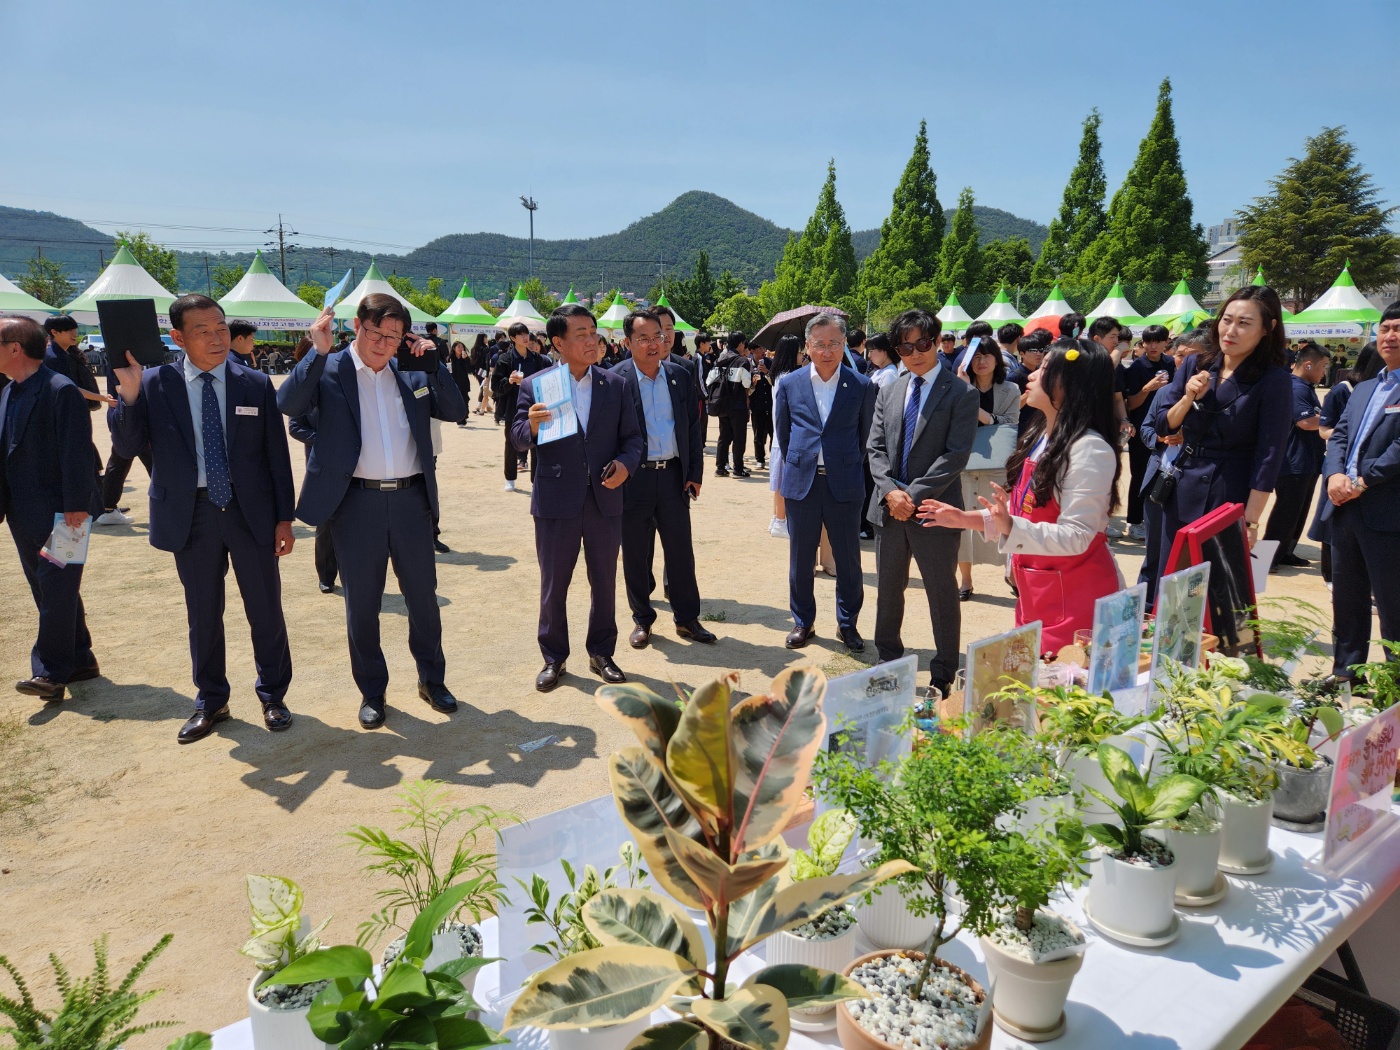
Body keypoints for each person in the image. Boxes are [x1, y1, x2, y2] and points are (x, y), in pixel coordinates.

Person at [110, 294, 296, 742]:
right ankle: (211, 700)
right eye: (203, 331)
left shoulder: (255, 383)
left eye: (221, 328)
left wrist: (284, 519)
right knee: (203, 613)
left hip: (249, 512)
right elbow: (126, 447)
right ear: (178, 337)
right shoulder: (153, 383)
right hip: (190, 513)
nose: (217, 338)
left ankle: (273, 695)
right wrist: (129, 394)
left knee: (265, 609)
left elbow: (276, 456)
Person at [276, 293, 467, 730]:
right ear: (358, 326)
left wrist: (435, 366)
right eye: (377, 333)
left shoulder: (412, 371)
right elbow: (288, 405)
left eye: (395, 337)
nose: (384, 344)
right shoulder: (330, 368)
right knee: (362, 603)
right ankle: (372, 691)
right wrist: (317, 352)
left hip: (411, 500)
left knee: (423, 599)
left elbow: (456, 410)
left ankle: (432, 680)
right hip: (355, 503)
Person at [918, 339, 1124, 654]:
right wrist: (963, 518)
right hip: (1041, 590)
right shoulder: (1041, 437)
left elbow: (1078, 535)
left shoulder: (1088, 449)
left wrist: (1010, 527)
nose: (1033, 374)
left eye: (1045, 368)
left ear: (1070, 384)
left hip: (1076, 598)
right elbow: (1021, 515)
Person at [513, 304, 643, 691]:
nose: (592, 341)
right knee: (554, 584)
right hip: (556, 500)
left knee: (604, 581)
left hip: (605, 499)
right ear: (558, 342)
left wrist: (625, 465)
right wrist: (531, 427)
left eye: (593, 332)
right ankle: (554, 657)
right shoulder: (536, 385)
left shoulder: (614, 385)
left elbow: (633, 439)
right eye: (581, 334)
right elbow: (516, 437)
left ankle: (602, 652)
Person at [867, 310, 978, 695]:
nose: (915, 353)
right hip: (889, 510)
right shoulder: (889, 389)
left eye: (923, 344)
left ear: (936, 341)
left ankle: (944, 671)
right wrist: (890, 492)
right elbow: (875, 448)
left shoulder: (962, 393)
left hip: (935, 510)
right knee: (888, 590)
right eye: (905, 347)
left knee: (941, 592)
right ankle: (887, 661)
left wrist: (910, 496)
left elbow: (955, 455)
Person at [1150, 285, 1292, 571]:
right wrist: (1188, 398)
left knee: (1217, 585)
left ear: (1268, 328)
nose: (1231, 331)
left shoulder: (1273, 379)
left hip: (1228, 493)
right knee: (1172, 577)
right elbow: (1163, 424)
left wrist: (1251, 521)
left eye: (1244, 323)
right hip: (1183, 485)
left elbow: (1269, 454)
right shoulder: (1195, 363)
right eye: (1227, 320)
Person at [0, 316, 102, 701]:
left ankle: (49, 672)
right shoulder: (9, 391)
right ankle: (80, 659)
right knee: (48, 587)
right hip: (22, 511)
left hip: (66, 514)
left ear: (15, 348)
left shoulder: (61, 390)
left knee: (57, 586)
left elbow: (77, 453)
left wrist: (76, 507)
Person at [611, 309, 715, 648]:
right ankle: (642, 619)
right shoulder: (615, 379)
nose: (653, 343)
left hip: (672, 477)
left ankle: (687, 619)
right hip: (634, 480)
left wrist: (694, 473)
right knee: (636, 554)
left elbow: (692, 428)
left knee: (681, 552)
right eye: (643, 338)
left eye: (657, 336)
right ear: (627, 342)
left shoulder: (679, 375)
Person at [774, 314, 875, 651]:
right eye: (820, 344)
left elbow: (865, 438)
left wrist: (842, 463)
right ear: (807, 346)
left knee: (848, 561)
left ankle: (848, 624)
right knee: (801, 559)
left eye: (834, 343)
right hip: (802, 483)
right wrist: (802, 461)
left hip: (844, 483)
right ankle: (803, 622)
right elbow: (784, 434)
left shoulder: (861, 385)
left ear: (844, 344)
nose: (827, 351)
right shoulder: (790, 384)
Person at [1317, 302, 1400, 679]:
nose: (1390, 336)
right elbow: (1340, 436)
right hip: (1344, 508)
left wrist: (1363, 481)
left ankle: (1393, 687)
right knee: (1347, 601)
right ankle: (1346, 676)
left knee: (1393, 604)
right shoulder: (1365, 387)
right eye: (1385, 328)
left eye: (1398, 329)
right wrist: (1334, 475)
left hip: (1387, 512)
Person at [1137, 329, 1209, 605]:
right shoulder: (1165, 392)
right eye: (1179, 355)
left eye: (1192, 356)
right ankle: (1146, 606)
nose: (1183, 362)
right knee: (1154, 552)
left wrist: (1187, 437)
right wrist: (1161, 437)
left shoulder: (1215, 395)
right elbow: (1146, 428)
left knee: (1187, 557)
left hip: (1195, 484)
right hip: (1160, 479)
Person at [1310, 344, 1381, 586]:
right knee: (1332, 519)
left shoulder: (1384, 390)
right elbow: (1325, 430)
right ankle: (1330, 575)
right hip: (1339, 466)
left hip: (1365, 468)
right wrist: (1357, 435)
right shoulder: (1344, 390)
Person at [956, 338, 1020, 600]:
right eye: (976, 357)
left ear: (997, 359)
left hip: (996, 464)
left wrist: (974, 403)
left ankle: (1012, 574)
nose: (981, 362)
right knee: (963, 523)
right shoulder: (958, 387)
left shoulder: (1011, 389)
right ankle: (966, 580)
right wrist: (965, 390)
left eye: (987, 356)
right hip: (963, 463)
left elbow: (1010, 424)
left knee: (1003, 519)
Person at [1263, 342, 1328, 571]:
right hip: (1293, 461)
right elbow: (1306, 421)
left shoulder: (1305, 387)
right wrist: (1335, 419)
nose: (1324, 373)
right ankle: (1264, 560)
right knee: (1285, 512)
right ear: (1308, 365)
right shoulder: (1296, 388)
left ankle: (1285, 552)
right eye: (1323, 367)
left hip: (1307, 459)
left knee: (1298, 512)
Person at [286, 337, 337, 594]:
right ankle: (326, 575)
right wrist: (325, 440)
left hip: (356, 466)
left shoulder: (342, 381)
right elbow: (295, 427)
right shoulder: (302, 387)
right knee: (325, 523)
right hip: (322, 466)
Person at [1120, 325, 1175, 540]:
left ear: (1165, 343)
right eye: (1148, 342)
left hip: (1166, 427)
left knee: (1165, 472)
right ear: (1142, 343)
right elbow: (1131, 404)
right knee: (1140, 474)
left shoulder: (1170, 363)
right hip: (1142, 428)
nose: (1152, 346)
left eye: (1157, 341)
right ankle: (1135, 521)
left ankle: (1157, 519)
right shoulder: (1136, 368)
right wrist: (1147, 388)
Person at [492, 322, 547, 490]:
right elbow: (495, 385)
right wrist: (509, 381)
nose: (525, 337)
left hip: (534, 407)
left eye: (526, 334)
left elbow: (543, 382)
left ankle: (535, 480)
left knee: (537, 444)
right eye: (521, 334)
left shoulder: (536, 359)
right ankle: (509, 478)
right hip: (513, 408)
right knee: (511, 444)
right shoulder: (505, 359)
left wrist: (529, 382)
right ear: (513, 338)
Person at [766, 335, 801, 539]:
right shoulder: (788, 377)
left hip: (779, 438)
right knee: (782, 484)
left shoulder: (779, 374)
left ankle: (776, 519)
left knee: (779, 483)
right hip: (784, 437)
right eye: (799, 351)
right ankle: (780, 521)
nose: (801, 355)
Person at [710, 331, 753, 477]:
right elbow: (746, 383)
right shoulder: (742, 361)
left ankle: (720, 467)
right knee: (739, 438)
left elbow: (710, 380)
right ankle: (738, 469)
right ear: (740, 344)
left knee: (724, 437)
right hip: (738, 405)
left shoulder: (720, 359)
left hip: (722, 404)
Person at [749, 342, 774, 468]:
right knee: (758, 433)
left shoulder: (770, 363)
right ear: (752, 350)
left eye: (764, 347)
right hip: (756, 404)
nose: (763, 350)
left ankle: (773, 458)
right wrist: (753, 384)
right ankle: (760, 459)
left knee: (773, 432)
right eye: (760, 348)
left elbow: (775, 382)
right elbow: (746, 389)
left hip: (770, 403)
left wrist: (767, 372)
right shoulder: (748, 365)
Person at [449, 340, 474, 428]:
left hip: (463, 383)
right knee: (456, 402)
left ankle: (464, 416)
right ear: (454, 348)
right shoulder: (450, 358)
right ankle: (460, 420)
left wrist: (466, 359)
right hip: (454, 383)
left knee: (465, 400)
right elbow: (448, 371)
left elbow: (469, 370)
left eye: (462, 347)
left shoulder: (465, 358)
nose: (461, 348)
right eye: (458, 347)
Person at [470, 334, 492, 415]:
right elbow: (486, 361)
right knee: (484, 388)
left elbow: (472, 361)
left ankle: (487, 405)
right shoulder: (485, 348)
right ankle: (479, 406)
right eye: (485, 337)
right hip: (484, 370)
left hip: (477, 371)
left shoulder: (474, 348)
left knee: (483, 387)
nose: (486, 339)